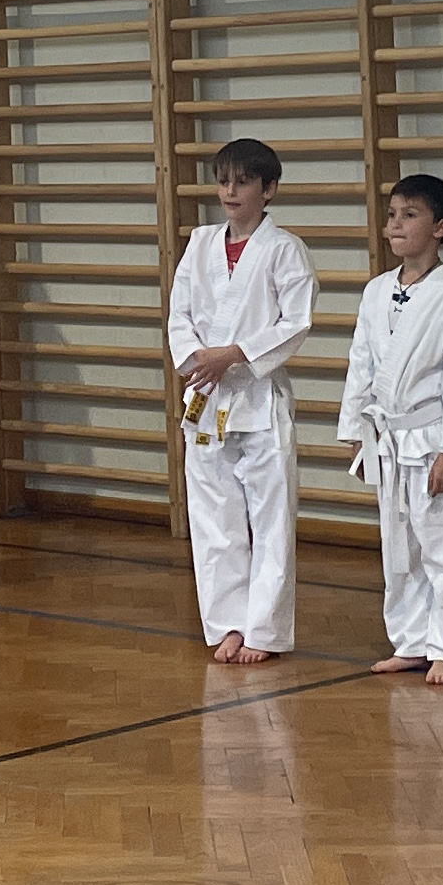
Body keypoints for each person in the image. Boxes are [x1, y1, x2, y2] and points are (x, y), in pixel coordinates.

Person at [168, 137, 313, 664]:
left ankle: (265, 631)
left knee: (271, 520)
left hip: (257, 395)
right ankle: (227, 624)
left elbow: (295, 323)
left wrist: (232, 353)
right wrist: (197, 359)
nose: (230, 190)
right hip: (205, 397)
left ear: (268, 189)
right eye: (223, 180)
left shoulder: (284, 248)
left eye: (243, 181)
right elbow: (178, 313)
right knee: (213, 520)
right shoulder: (201, 241)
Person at [339, 172, 443, 685]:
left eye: (410, 215)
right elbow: (361, 364)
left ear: (441, 227)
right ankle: (412, 639)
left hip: (431, 437)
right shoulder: (377, 290)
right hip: (387, 437)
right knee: (398, 545)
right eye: (392, 214)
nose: (395, 224)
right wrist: (356, 432)